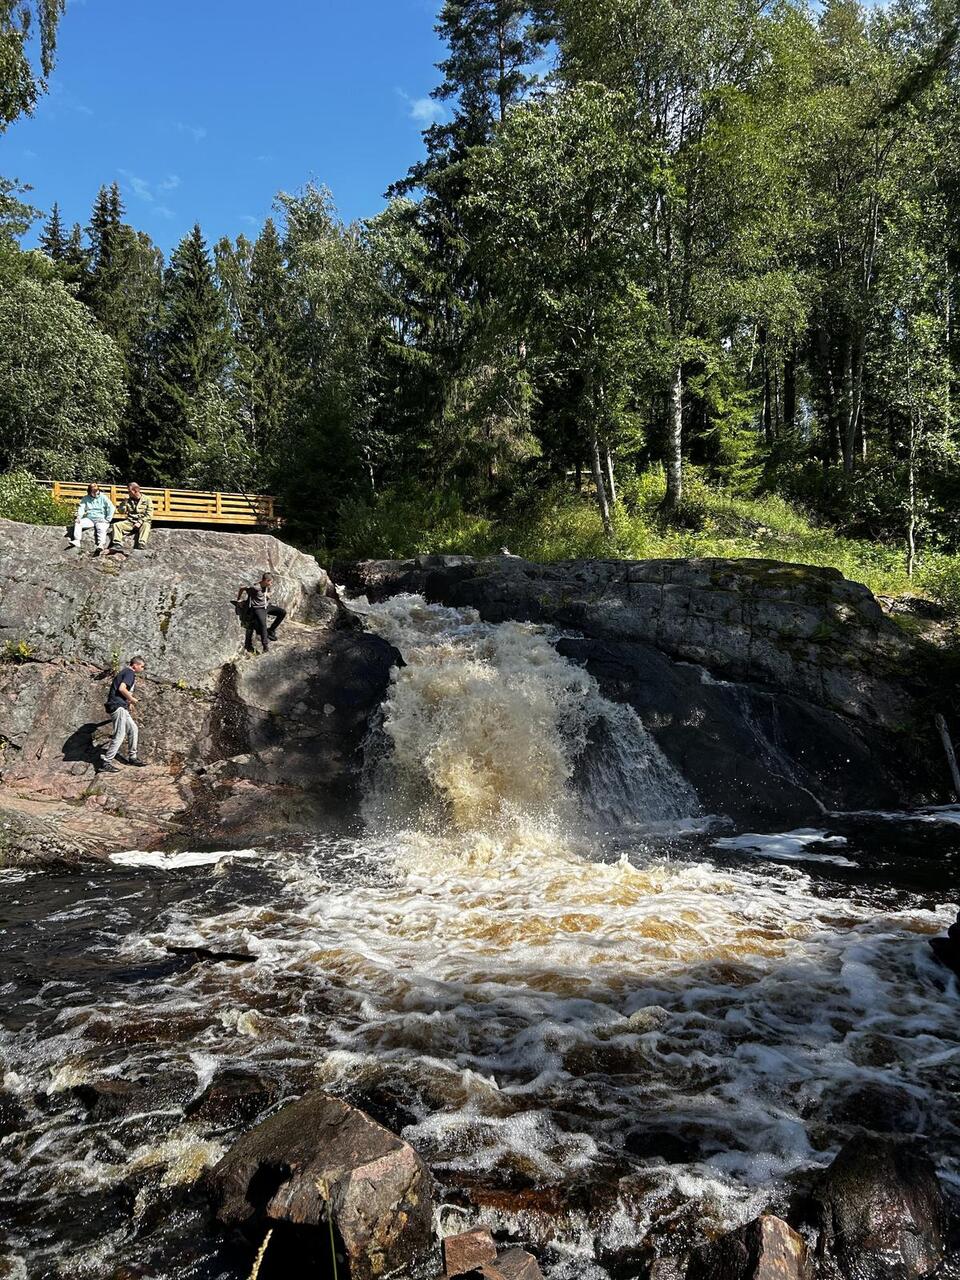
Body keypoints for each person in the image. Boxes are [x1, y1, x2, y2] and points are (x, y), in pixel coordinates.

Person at [100, 655, 147, 772]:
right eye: (142, 666)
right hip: (118, 706)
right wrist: (132, 699)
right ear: (135, 665)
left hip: (121, 706)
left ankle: (133, 757)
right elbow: (122, 688)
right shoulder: (129, 673)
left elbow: (122, 690)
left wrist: (128, 702)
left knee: (133, 729)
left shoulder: (126, 673)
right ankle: (106, 762)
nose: (143, 669)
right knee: (120, 735)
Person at [236, 573, 286, 653]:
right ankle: (265, 647)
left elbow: (269, 593)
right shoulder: (255, 587)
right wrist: (238, 600)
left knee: (282, 612)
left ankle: (271, 630)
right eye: (270, 582)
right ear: (266, 581)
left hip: (266, 606)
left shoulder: (266, 586)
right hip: (258, 608)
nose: (271, 584)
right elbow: (242, 588)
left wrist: (268, 594)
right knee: (263, 625)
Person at [70, 483, 115, 555]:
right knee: (78, 523)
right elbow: (81, 508)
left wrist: (108, 519)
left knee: (101, 529)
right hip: (90, 518)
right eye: (93, 491)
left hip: (101, 519)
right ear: (89, 492)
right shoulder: (85, 498)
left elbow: (111, 507)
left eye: (97, 491)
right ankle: (77, 540)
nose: (96, 493)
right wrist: (79, 517)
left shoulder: (103, 497)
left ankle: (101, 544)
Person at [109, 483, 154, 554]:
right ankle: (117, 543)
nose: (128, 493)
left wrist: (140, 522)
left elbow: (149, 515)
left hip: (142, 522)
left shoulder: (147, 499)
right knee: (116, 525)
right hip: (130, 522)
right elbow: (121, 511)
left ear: (135, 491)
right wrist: (124, 503)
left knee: (146, 525)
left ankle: (141, 544)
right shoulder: (128, 500)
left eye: (129, 491)